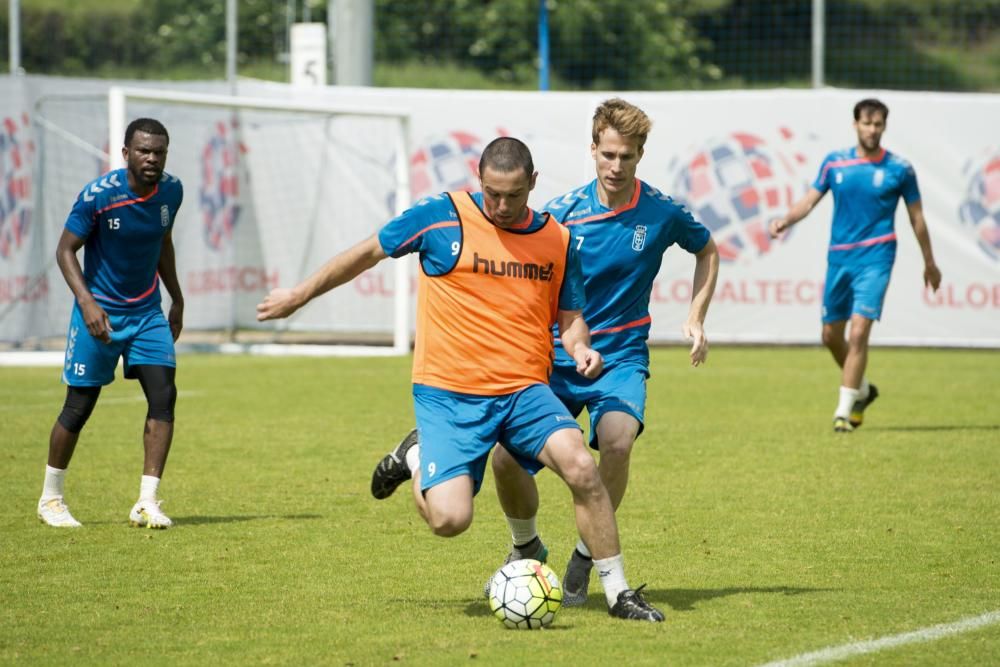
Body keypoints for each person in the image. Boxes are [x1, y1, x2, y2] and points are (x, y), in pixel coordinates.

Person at [258, 137, 665, 622]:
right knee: (449, 520)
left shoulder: (557, 239)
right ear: (479, 181)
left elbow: (570, 315)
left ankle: (618, 593)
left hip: (523, 393)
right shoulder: (440, 218)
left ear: (532, 185)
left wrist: (580, 348)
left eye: (514, 195)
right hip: (449, 397)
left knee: (582, 467)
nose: (502, 206)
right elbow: (368, 252)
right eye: (492, 193)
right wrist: (300, 295)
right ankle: (415, 454)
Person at [482, 98, 719, 607]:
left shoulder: (661, 213)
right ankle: (526, 547)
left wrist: (696, 316)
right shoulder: (562, 216)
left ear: (640, 156)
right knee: (504, 461)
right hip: (559, 358)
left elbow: (707, 249)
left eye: (627, 157)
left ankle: (588, 554)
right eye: (608, 155)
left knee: (616, 442)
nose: (616, 166)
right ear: (592, 150)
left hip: (622, 357)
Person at [37, 118, 184, 529]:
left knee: (164, 396)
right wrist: (86, 303)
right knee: (79, 407)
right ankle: (51, 499)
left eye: (159, 152)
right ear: (126, 154)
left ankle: (146, 501)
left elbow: (163, 242)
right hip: (98, 314)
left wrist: (177, 297)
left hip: (147, 313)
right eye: (144, 151)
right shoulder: (98, 197)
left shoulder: (172, 191)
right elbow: (66, 250)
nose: (152, 158)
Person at [769, 98, 941, 433]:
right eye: (867, 123)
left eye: (878, 125)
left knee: (859, 330)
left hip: (877, 256)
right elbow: (809, 200)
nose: (873, 130)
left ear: (884, 127)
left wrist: (929, 263)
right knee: (830, 335)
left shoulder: (900, 169)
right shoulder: (835, 163)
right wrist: (785, 220)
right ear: (855, 125)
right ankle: (861, 391)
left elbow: (917, 218)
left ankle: (843, 413)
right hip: (840, 257)